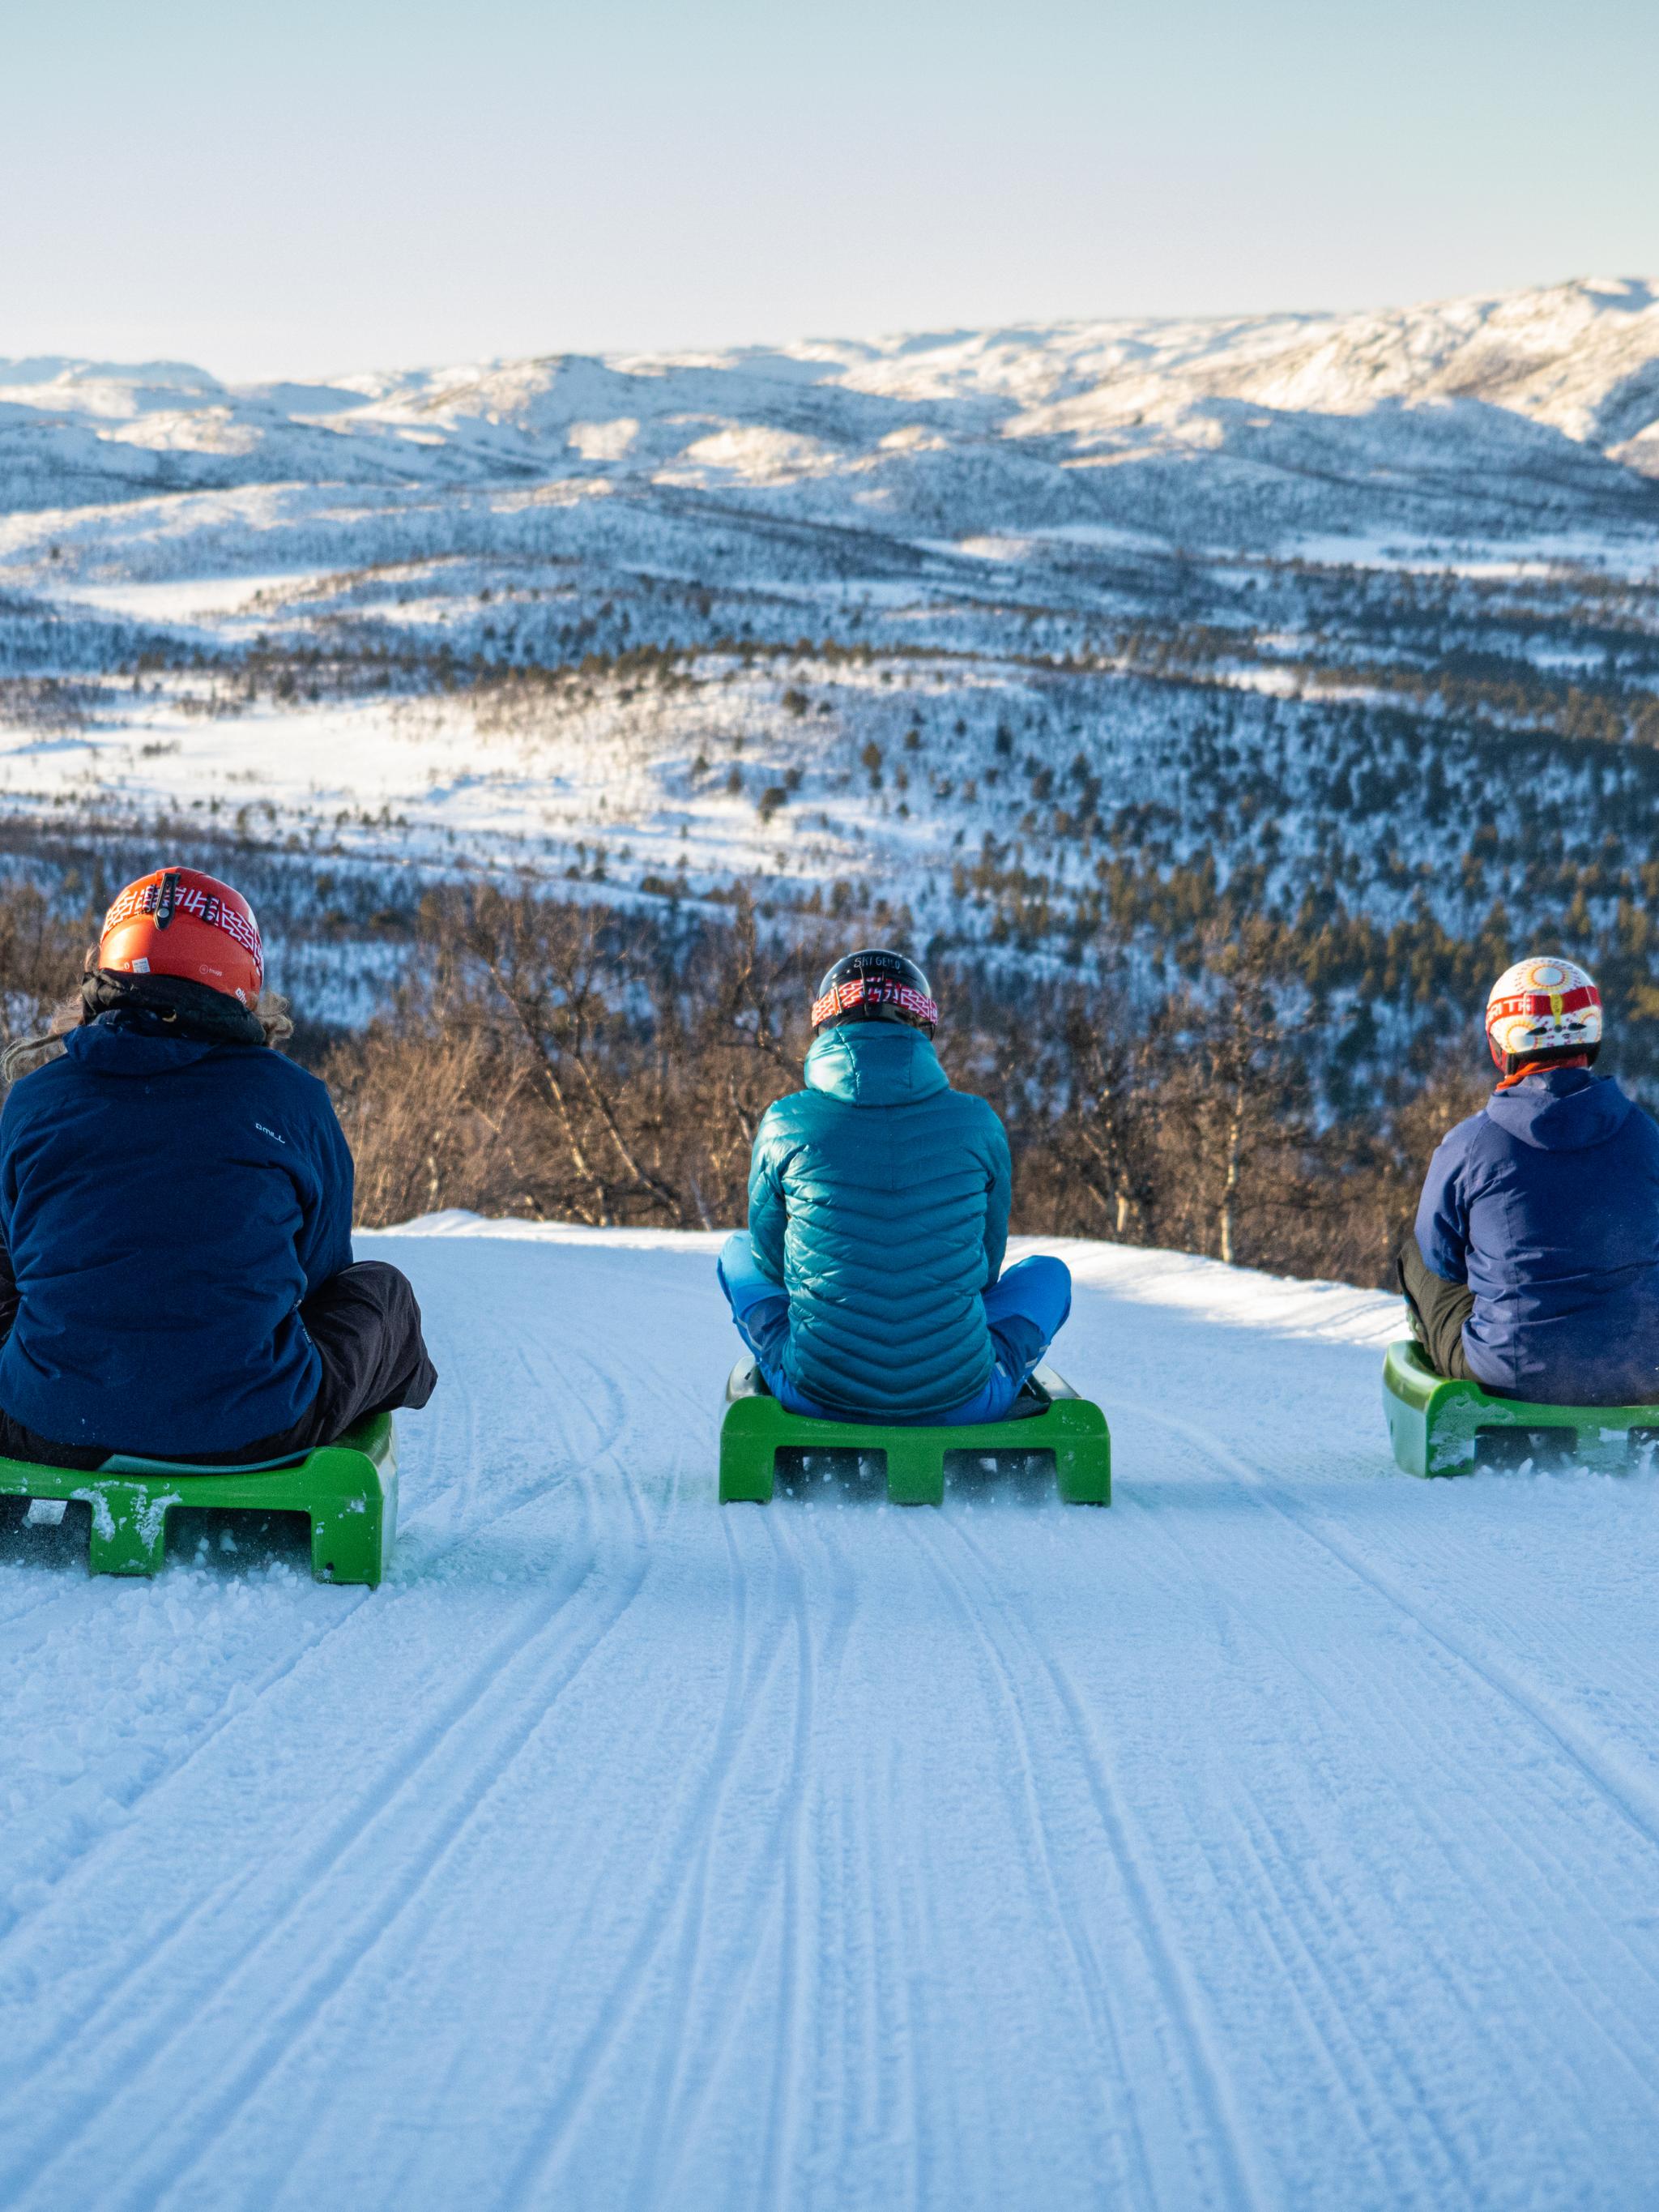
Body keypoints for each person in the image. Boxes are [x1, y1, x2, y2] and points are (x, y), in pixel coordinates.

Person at [0, 865, 437, 1471]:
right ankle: (339, 1420)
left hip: (45, 1422)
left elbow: (15, 1256)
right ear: (244, 982)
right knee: (381, 1294)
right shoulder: (294, 1101)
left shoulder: (35, 1099)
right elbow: (319, 1273)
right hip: (253, 1429)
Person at [718, 948, 1072, 1424]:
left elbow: (770, 1261)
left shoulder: (784, 1123)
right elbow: (985, 1271)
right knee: (1049, 1274)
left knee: (736, 1253)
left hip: (818, 1392)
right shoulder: (977, 1122)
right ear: (921, 1026)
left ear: (826, 1024)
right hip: (960, 1397)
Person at [1401, 953, 1659, 1406]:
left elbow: (1441, 1259)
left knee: (1417, 1255)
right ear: (1592, 1037)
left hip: (1516, 1376)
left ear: (1501, 1046)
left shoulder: (1471, 1144)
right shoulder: (1644, 1133)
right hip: (1642, 1371)